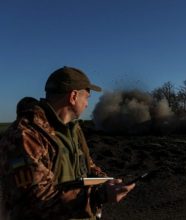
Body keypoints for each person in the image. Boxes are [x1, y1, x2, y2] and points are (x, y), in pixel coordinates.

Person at [0, 66, 135, 220]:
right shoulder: (25, 136)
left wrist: (107, 182)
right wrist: (99, 196)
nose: (86, 104)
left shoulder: (73, 131)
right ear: (73, 96)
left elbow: (86, 166)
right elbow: (36, 200)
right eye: (87, 97)